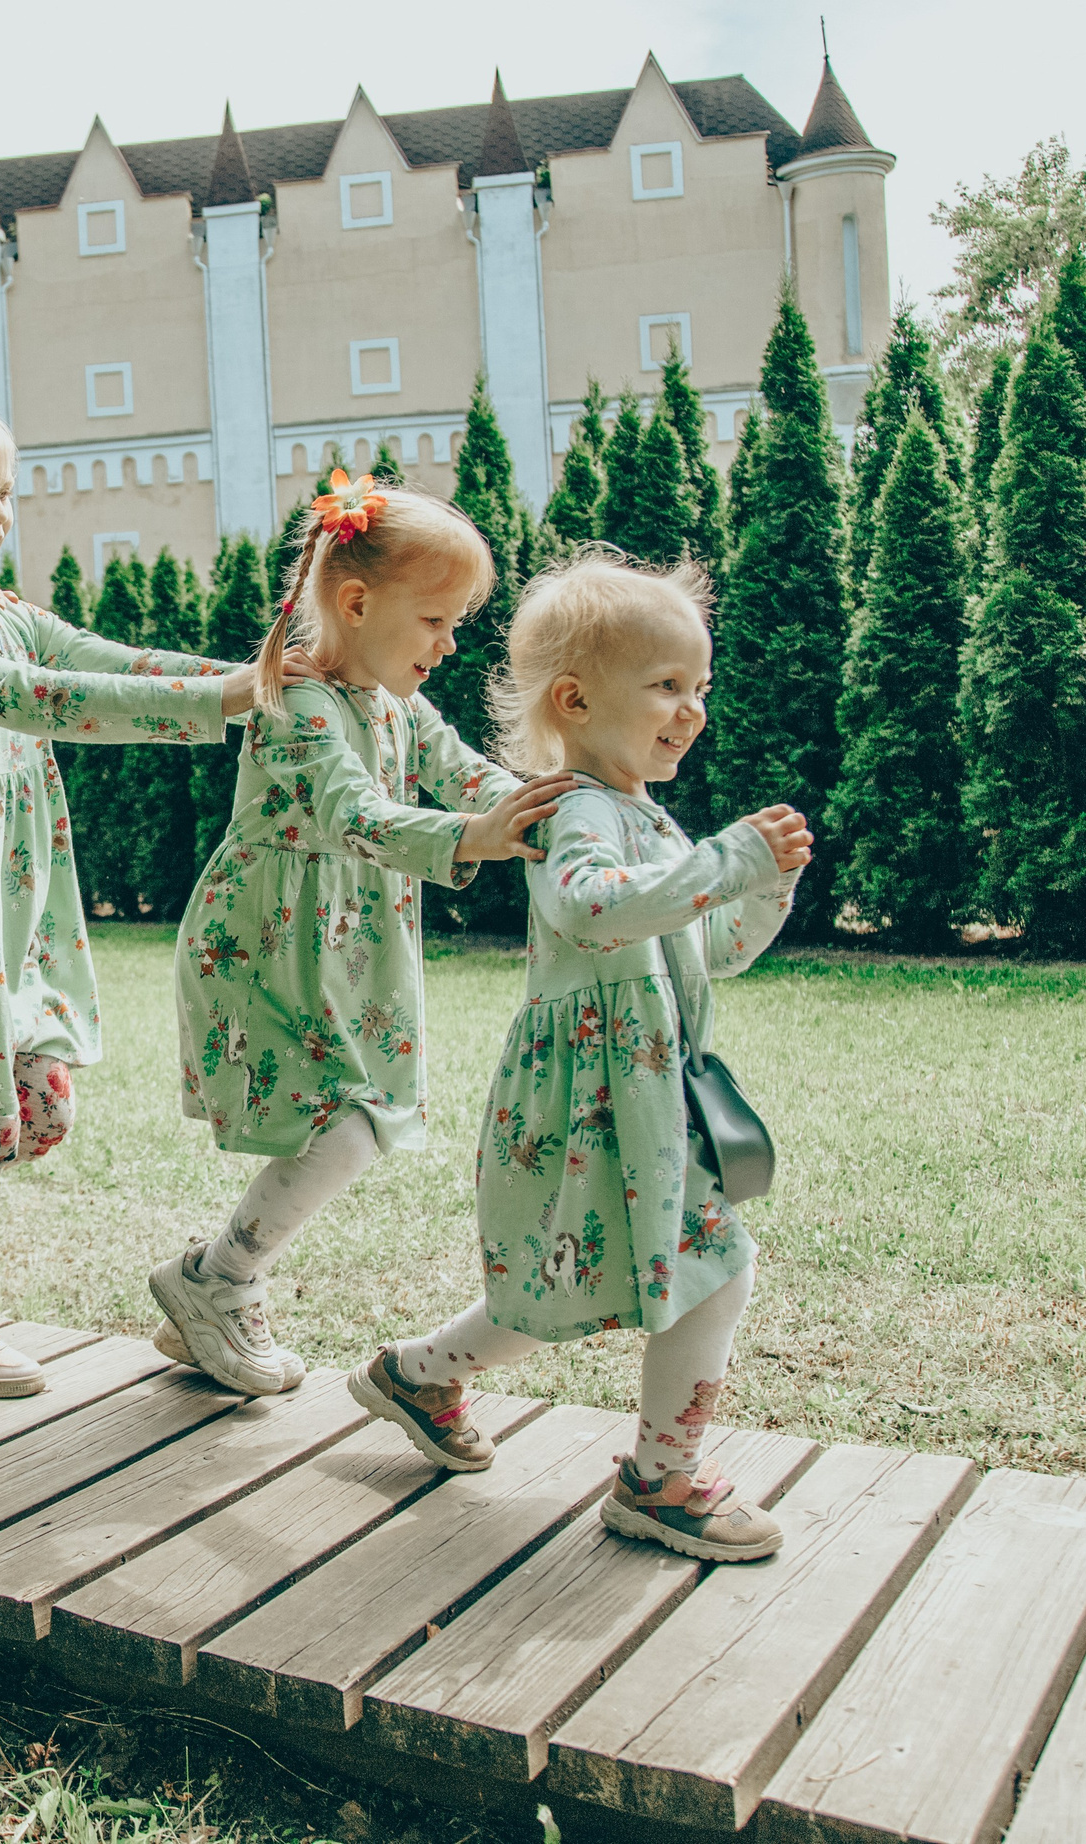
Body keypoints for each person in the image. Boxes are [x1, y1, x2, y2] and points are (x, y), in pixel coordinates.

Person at [352, 552, 811, 1562]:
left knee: (578, 1276)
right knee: (693, 1271)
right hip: (593, 1095)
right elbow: (591, 908)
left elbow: (711, 946)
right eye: (666, 685)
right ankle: (659, 1482)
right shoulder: (575, 809)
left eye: (699, 686)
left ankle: (419, 1374)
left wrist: (763, 887)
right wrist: (726, 858)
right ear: (575, 700)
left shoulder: (646, 815)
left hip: (643, 1089)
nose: (691, 709)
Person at [0, 391, 277, 1395]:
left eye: (6, 493)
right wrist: (220, 700)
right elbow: (37, 698)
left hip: (8, 895)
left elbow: (106, 662)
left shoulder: (4, 611)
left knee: (40, 1108)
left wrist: (255, 677)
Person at [153, 475, 573, 1395]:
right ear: (355, 603)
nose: (449, 644)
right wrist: (476, 838)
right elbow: (352, 814)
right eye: (435, 621)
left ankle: (213, 1281)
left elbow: (468, 774)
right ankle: (219, 1279)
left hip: (346, 946)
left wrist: (555, 812)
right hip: (268, 947)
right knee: (349, 1124)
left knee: (365, 1116)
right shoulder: (297, 701)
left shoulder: (396, 702)